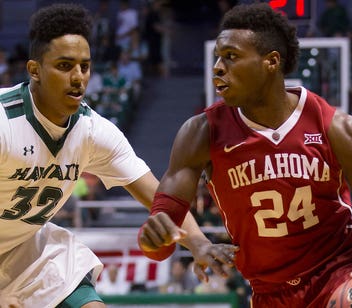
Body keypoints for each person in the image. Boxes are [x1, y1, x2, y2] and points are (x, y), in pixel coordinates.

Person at [138, 3, 352, 307]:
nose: (217, 67)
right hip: (269, 293)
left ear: (271, 62)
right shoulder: (200, 133)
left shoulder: (334, 127)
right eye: (217, 57)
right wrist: (155, 238)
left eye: (231, 57)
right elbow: (158, 246)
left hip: (339, 279)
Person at [0, 4, 231, 307]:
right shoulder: (5, 122)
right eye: (65, 66)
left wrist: (199, 243)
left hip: (27, 249)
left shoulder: (94, 132)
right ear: (35, 71)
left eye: (84, 66)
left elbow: (160, 196)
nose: (78, 77)